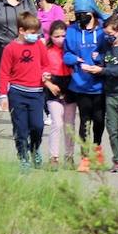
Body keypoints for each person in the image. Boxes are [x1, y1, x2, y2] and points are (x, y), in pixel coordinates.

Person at [81, 16, 118, 173]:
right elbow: (102, 62)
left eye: (109, 33)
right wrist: (93, 66)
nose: (107, 36)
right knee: (112, 129)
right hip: (110, 94)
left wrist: (101, 71)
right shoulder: (107, 48)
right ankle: (117, 160)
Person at [63, 0, 108, 172]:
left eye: (84, 13)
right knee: (84, 120)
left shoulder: (103, 30)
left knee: (99, 119)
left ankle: (97, 151)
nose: (80, 17)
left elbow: (112, 51)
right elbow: (66, 54)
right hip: (80, 83)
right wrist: (76, 59)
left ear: (92, 12)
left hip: (100, 83)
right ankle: (84, 157)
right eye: (78, 13)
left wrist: (101, 58)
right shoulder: (72, 31)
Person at [0, 11, 46, 169]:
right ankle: (23, 157)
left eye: (37, 32)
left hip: (37, 93)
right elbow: (4, 72)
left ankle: (34, 148)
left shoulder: (39, 45)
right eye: (33, 33)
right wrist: (3, 95)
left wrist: (46, 74)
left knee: (38, 126)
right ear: (21, 31)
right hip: (17, 93)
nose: (36, 36)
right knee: (21, 128)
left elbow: (45, 64)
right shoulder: (10, 49)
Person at [42, 19, 77, 168]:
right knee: (57, 123)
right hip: (53, 89)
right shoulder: (46, 51)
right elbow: (41, 71)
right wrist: (49, 84)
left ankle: (69, 156)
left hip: (70, 87)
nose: (60, 40)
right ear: (50, 36)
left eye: (63, 36)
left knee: (69, 125)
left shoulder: (71, 50)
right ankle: (53, 157)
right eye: (56, 36)